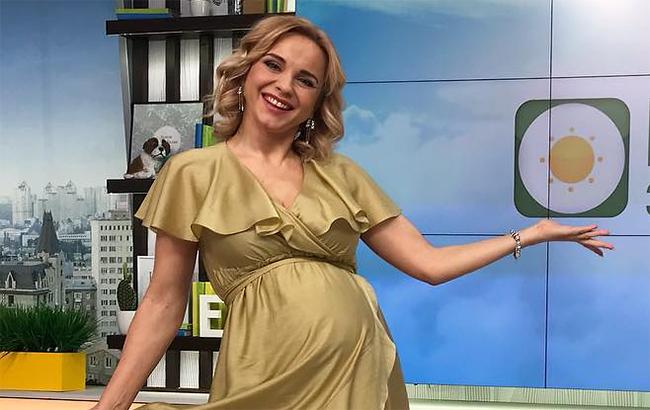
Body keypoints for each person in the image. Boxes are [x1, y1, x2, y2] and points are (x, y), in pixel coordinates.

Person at [92, 15, 613, 410]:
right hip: (263, 371)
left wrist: (530, 234)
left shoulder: (341, 175)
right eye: (274, 65)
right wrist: (109, 406)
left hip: (356, 370)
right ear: (246, 71)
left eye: (305, 80)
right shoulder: (192, 172)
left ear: (317, 101)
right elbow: (164, 303)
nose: (284, 86)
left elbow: (429, 265)